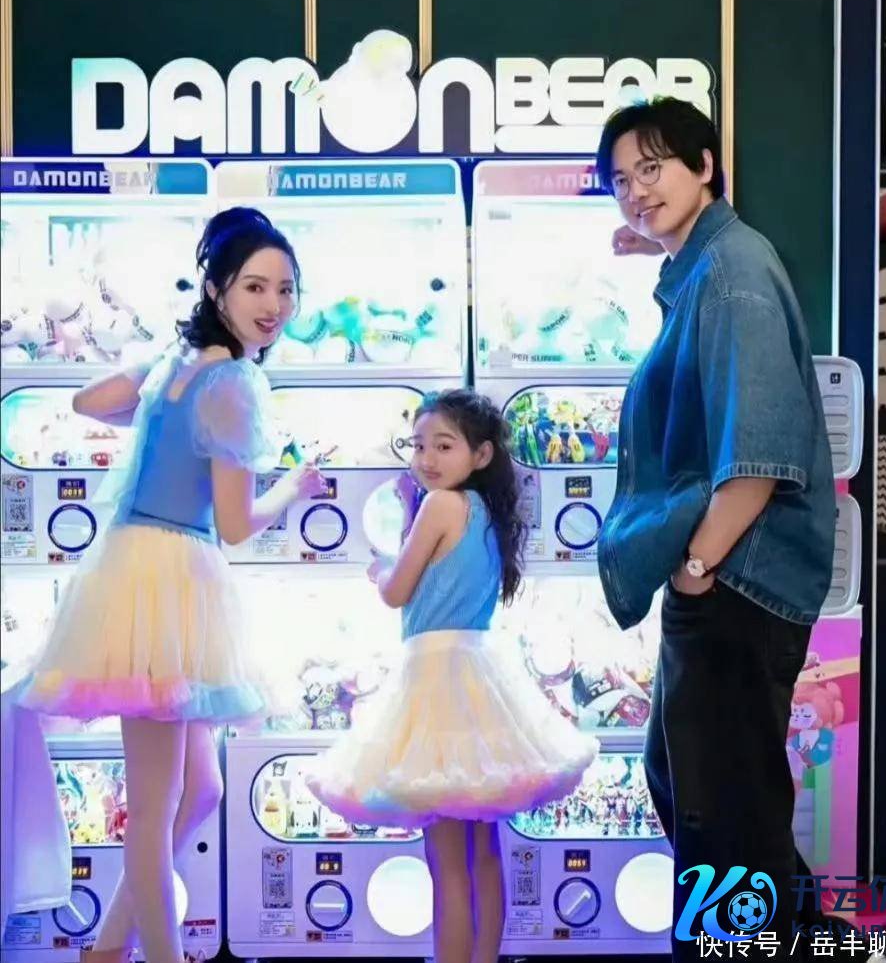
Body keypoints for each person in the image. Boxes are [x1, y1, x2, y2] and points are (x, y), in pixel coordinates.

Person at [22, 207, 326, 963]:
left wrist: (161, 400)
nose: (274, 305)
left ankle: (105, 950)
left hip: (139, 572)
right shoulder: (234, 382)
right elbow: (236, 524)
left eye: (285, 289)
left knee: (205, 791)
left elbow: (87, 401)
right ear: (218, 289)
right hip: (169, 578)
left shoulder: (180, 359)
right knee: (155, 810)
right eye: (255, 287)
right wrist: (295, 486)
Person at [595, 98, 838, 959]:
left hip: (736, 578)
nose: (636, 190)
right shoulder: (708, 265)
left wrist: (696, 564)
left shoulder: (732, 270)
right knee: (711, 797)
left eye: (652, 167)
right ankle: (800, 940)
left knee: (722, 816)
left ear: (705, 165)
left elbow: (759, 457)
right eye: (620, 180)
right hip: (731, 577)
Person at [309, 390, 597, 963]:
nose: (427, 458)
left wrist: (380, 568)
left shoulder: (439, 506)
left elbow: (397, 591)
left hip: (432, 683)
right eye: (418, 446)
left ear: (481, 453)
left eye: (443, 446)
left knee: (445, 861)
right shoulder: (487, 512)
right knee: (483, 851)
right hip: (479, 679)